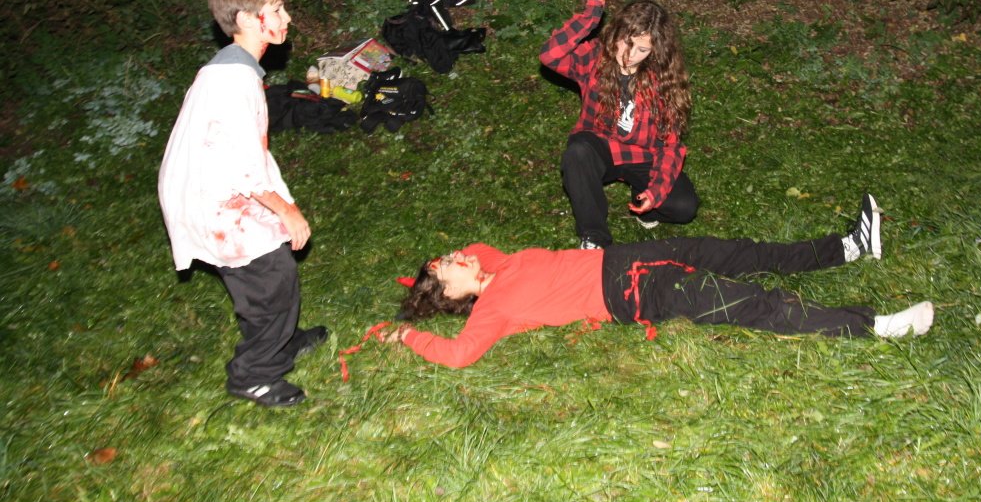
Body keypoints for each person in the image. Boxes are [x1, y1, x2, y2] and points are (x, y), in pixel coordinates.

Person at [386, 194, 933, 368]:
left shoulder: (498, 264)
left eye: (451, 255)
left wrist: (426, 276)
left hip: (631, 256)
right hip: (635, 293)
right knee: (750, 304)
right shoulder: (493, 309)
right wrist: (407, 332)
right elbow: (458, 355)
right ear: (450, 291)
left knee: (744, 254)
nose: (459, 255)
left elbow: (474, 250)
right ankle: (876, 326)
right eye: (449, 264)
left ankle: (851, 245)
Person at [158, 0, 328, 407]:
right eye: (277, 10)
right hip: (212, 201)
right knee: (269, 281)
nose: (287, 18)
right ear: (248, 20)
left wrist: (281, 200)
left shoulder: (236, 69)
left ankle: (281, 341)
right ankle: (254, 375)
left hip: (223, 190)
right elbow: (239, 163)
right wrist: (285, 210)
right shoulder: (232, 81)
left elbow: (246, 152)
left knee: (274, 274)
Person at [540, 0, 696, 249]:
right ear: (616, 34)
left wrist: (655, 191)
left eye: (642, 49)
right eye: (626, 42)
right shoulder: (596, 58)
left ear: (655, 51)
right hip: (599, 145)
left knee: (684, 207)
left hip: (641, 155)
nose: (629, 54)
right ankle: (594, 238)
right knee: (577, 153)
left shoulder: (663, 82)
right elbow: (551, 55)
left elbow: (670, 146)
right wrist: (591, 14)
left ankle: (641, 201)